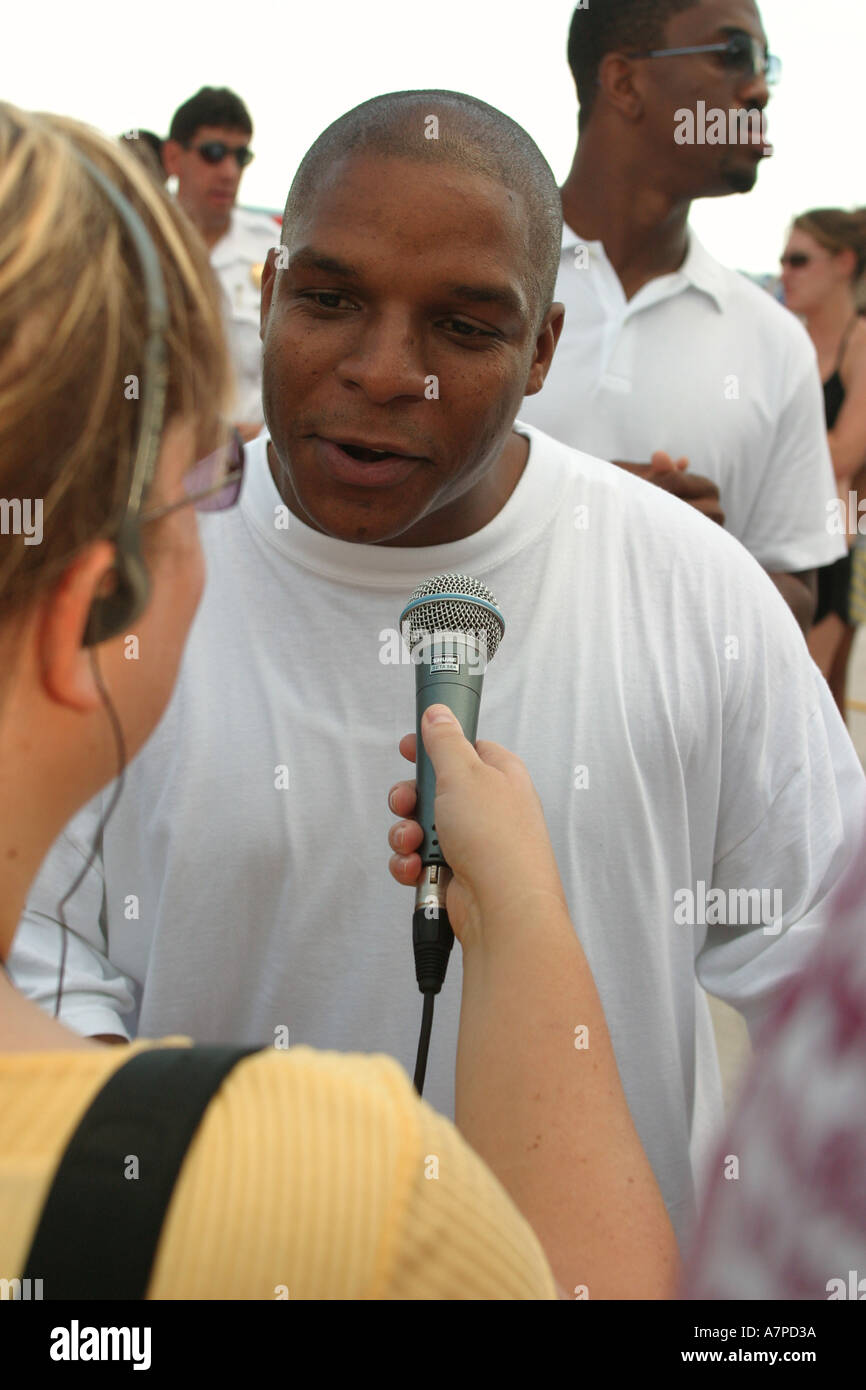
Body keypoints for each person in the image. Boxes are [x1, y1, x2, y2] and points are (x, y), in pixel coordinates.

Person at [10, 88, 866, 1254]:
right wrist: (196, 1192)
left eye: (463, 328)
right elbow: (42, 949)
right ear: (266, 295)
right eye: (328, 299)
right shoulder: (137, 573)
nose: (383, 369)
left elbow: (825, 983)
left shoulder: (693, 589)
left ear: (541, 350)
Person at [518, 0, 843, 634]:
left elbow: (799, 590)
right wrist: (566, 513)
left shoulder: (773, 339)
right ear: (624, 82)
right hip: (440, 729)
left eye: (764, 65)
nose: (758, 90)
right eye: (732, 55)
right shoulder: (470, 286)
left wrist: (700, 560)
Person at [780, 208, 866, 719]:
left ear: (843, 262)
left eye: (799, 260)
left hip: (837, 542)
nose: (785, 272)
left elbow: (847, 450)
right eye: (782, 261)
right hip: (779, 540)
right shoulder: (787, 340)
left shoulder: (860, 341)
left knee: (806, 703)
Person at [162, 87, 278, 441]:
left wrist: (267, 432)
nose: (229, 171)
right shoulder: (136, 247)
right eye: (213, 153)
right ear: (173, 158)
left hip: (253, 462)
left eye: (240, 156)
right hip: (155, 461)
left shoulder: (275, 251)